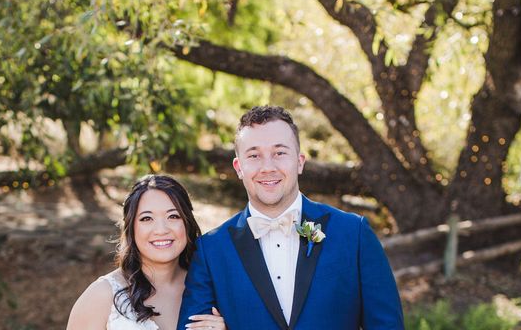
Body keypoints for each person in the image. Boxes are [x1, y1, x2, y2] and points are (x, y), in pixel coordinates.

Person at [178, 105, 404, 330]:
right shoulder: (210, 251)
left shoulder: (354, 234)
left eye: (279, 153)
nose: (268, 167)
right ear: (239, 167)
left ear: (299, 161)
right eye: (254, 155)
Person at [67, 174, 226, 330]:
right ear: (131, 229)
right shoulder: (101, 296)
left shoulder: (212, 287)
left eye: (173, 216)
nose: (161, 230)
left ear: (187, 223)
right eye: (146, 219)